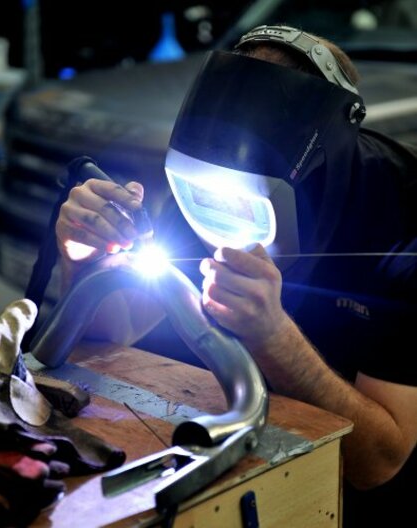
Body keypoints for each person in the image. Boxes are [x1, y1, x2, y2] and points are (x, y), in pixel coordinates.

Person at [53, 25, 417, 527]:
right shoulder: (206, 175)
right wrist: (84, 261)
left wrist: (272, 336)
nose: (218, 220)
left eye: (241, 202)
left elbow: (380, 462)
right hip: (220, 434)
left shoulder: (400, 216)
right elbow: (116, 331)